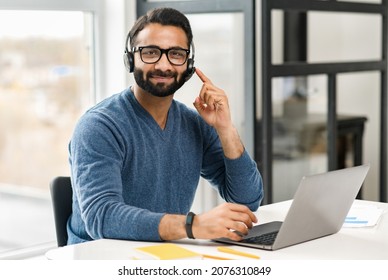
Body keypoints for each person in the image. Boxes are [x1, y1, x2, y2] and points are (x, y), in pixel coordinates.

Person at [67, 7, 264, 245]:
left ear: (188, 64)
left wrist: (226, 129)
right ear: (131, 59)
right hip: (100, 261)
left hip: (164, 257)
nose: (164, 65)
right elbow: (102, 217)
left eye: (176, 54)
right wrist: (193, 225)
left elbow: (247, 202)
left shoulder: (193, 124)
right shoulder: (99, 126)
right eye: (150, 52)